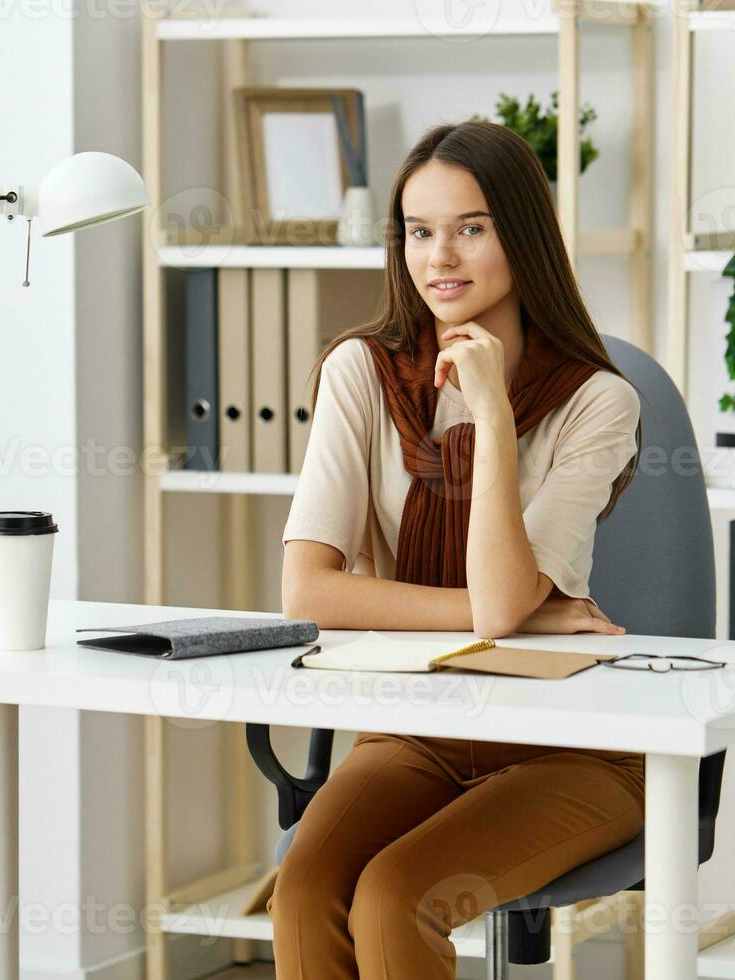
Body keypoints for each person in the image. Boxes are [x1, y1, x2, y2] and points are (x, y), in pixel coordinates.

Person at [269, 120, 646, 979]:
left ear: (523, 234)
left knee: (396, 894)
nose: (441, 256)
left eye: (471, 227)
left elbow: (505, 595)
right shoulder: (359, 373)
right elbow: (307, 591)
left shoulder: (598, 403)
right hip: (415, 731)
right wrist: (507, 622)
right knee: (304, 888)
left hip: (572, 747)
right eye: (419, 230)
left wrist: (493, 423)